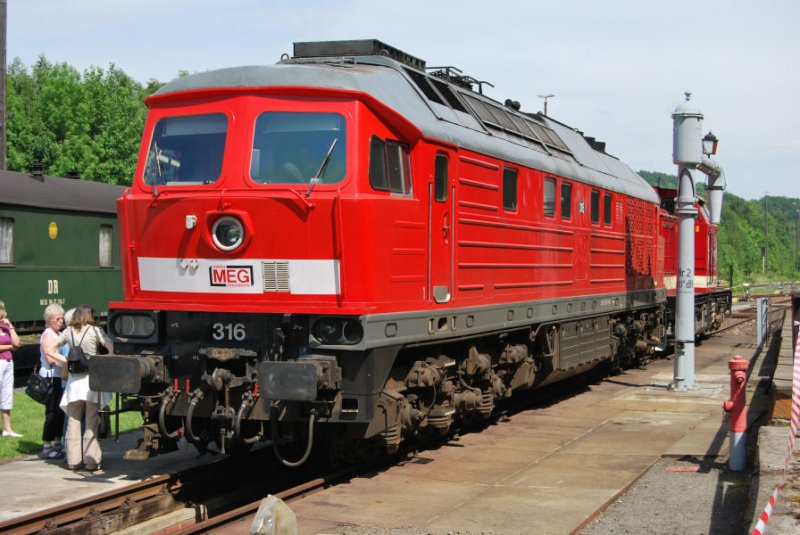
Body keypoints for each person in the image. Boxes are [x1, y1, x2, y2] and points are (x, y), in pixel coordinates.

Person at [48, 305, 113, 471]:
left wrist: (66, 360)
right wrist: (105, 358)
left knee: (73, 421)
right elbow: (109, 346)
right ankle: (91, 461)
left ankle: (73, 461)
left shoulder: (68, 331)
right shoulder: (95, 330)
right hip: (92, 381)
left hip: (74, 382)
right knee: (91, 421)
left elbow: (50, 349)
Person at [39, 304, 66, 458]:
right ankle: (47, 446)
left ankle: (57, 442)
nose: (61, 321)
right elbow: (51, 359)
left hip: (58, 377)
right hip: (50, 377)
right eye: (57, 318)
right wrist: (67, 363)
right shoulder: (48, 335)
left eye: (62, 318)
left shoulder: (58, 334)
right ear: (49, 320)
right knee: (52, 412)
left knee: (59, 411)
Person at [0, 300, 22, 437]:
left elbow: (17, 343)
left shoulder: (5, 326)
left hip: (8, 362)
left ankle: (7, 429)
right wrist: (10, 347)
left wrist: (10, 326)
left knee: (7, 395)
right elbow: (13, 346)